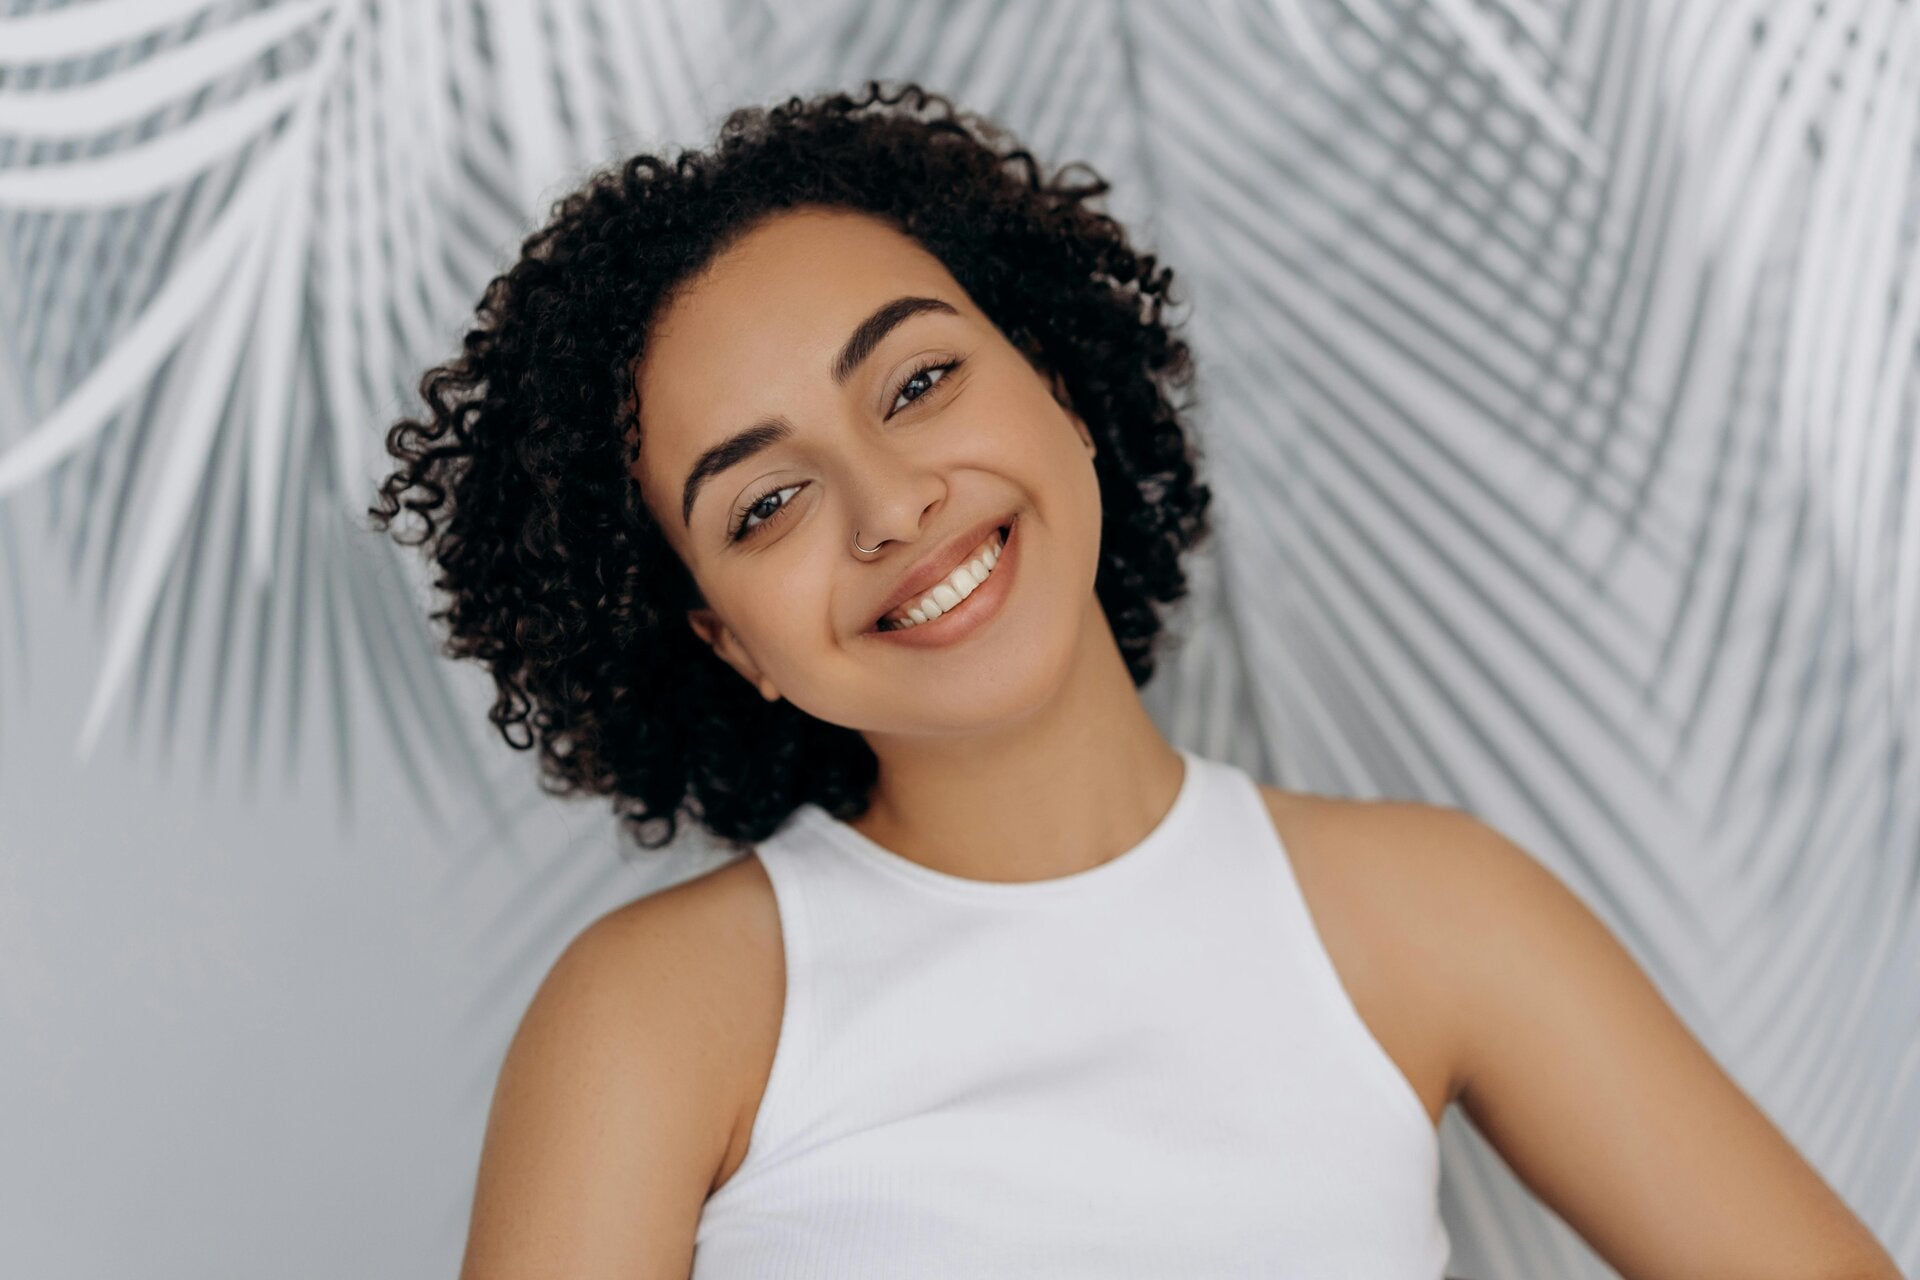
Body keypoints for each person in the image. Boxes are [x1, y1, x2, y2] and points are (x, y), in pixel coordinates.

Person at [368, 81, 1903, 1280]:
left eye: (919, 381)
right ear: (725, 641)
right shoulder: (658, 1018)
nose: (892, 504)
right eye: (765, 504)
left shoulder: (1431, 912)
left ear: (1054, 380)